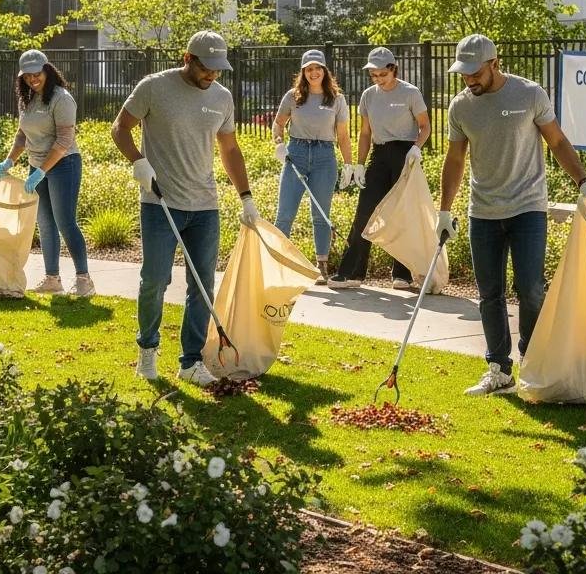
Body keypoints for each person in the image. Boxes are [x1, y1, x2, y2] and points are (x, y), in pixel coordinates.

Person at [438, 34, 586, 396]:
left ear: (494, 63)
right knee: (489, 293)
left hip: (528, 207)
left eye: (475, 72)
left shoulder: (529, 94)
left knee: (530, 289)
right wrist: (444, 210)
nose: (468, 79)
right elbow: (455, 159)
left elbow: (556, 141)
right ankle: (499, 369)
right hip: (482, 212)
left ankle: (532, 361)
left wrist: (583, 181)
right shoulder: (461, 107)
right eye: (463, 73)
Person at [111, 30, 259, 386]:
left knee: (203, 285)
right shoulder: (153, 87)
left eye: (219, 69)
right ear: (187, 59)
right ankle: (147, 351)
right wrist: (138, 162)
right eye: (207, 68)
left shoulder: (221, 97)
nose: (213, 75)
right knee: (155, 281)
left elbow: (230, 149)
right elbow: (120, 128)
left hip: (205, 206)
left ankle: (190, 362)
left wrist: (246, 196)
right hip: (160, 201)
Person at [0, 50, 94, 297]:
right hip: (37, 166)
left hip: (64, 165)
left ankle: (84, 280)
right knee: (46, 224)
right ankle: (52, 280)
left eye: (36, 74)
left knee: (65, 222)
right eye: (27, 76)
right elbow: (22, 135)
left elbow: (63, 141)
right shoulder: (26, 99)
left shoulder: (62, 99)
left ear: (47, 70)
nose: (32, 79)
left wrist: (40, 171)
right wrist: (9, 161)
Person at [329, 46, 430, 290]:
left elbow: (425, 126)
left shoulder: (410, 92)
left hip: (405, 153)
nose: (378, 80)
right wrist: (360, 165)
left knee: (401, 212)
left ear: (393, 69)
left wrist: (416, 148)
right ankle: (353, 273)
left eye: (382, 75)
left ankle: (402, 274)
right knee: (365, 210)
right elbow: (365, 133)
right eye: (373, 75)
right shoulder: (369, 96)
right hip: (379, 153)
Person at [272, 49, 354, 285]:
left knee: (321, 215)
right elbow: (278, 125)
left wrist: (348, 165)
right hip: (295, 154)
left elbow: (343, 136)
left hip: (324, 157)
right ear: (303, 72)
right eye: (309, 69)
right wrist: (279, 143)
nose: (313, 72)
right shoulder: (293, 96)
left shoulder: (337, 99)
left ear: (324, 71)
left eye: (317, 68)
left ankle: (321, 266)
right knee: (285, 214)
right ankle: (278, 263)